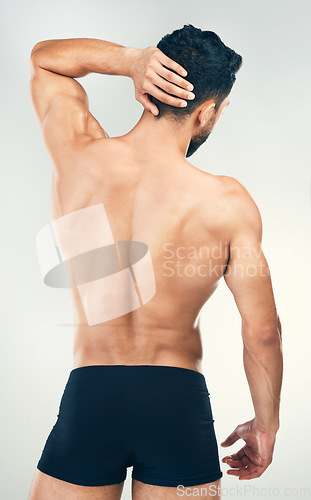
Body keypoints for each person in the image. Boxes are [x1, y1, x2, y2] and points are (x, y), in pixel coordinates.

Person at [28, 24, 283, 500]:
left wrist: (128, 60)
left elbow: (44, 59)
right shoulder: (228, 201)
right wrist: (264, 426)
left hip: (91, 395)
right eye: (221, 111)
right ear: (206, 111)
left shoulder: (80, 156)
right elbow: (264, 330)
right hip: (177, 405)